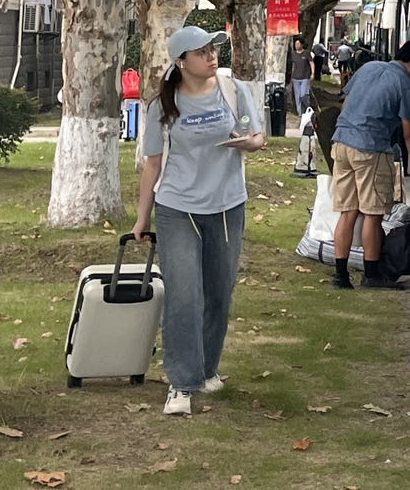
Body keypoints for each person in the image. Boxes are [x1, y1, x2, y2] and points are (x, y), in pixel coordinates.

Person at [132, 26, 266, 416]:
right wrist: (142, 217)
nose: (211, 56)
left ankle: (207, 369)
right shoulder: (163, 105)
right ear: (180, 62)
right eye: (201, 52)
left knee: (219, 293)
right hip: (177, 208)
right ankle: (181, 382)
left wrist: (248, 143)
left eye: (212, 49)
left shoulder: (232, 90)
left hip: (227, 206)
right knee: (184, 295)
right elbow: (152, 164)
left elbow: (256, 135)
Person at [328, 40, 410, 289]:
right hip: (370, 148)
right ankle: (372, 275)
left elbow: (347, 99)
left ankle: (340, 276)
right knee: (372, 214)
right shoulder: (405, 84)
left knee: (347, 212)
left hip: (341, 143)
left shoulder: (369, 67)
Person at [288, 36, 313, 117]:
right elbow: (292, 65)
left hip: (305, 77)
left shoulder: (306, 53)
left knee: (303, 95)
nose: (297, 45)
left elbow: (311, 63)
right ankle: (300, 113)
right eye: (296, 44)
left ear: (302, 44)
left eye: (298, 44)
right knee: (297, 96)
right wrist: (290, 77)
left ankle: (307, 108)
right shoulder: (293, 54)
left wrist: (312, 73)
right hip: (295, 78)